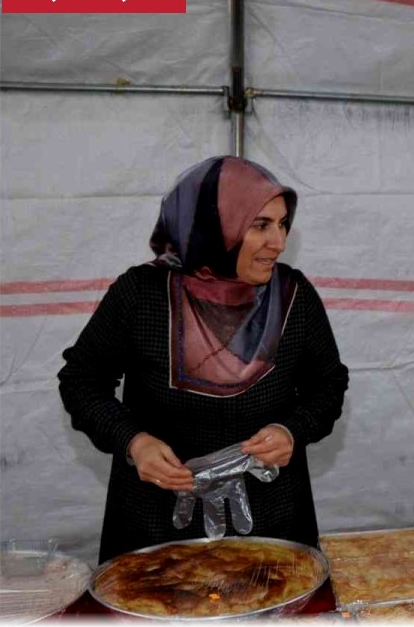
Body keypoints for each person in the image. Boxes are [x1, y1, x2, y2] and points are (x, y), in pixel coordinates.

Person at [58, 156, 349, 562]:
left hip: (271, 521)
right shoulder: (141, 295)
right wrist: (133, 442)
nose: (279, 242)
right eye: (261, 225)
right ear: (217, 225)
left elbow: (328, 385)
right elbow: (81, 381)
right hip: (157, 522)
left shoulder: (295, 297)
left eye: (283, 224)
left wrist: (292, 429)